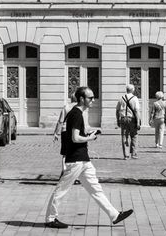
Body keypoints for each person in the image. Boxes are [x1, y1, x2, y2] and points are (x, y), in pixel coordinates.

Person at [44, 86, 134, 229]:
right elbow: (74, 138)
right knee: (62, 189)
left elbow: (78, 134)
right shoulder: (76, 114)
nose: (93, 100)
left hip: (83, 159)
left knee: (96, 189)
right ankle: (50, 218)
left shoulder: (78, 113)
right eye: (90, 98)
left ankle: (114, 215)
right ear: (81, 99)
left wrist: (89, 133)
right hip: (76, 160)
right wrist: (90, 138)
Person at [115, 84, 141, 159]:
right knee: (134, 135)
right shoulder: (135, 98)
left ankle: (126, 155)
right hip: (132, 118)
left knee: (124, 136)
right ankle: (133, 154)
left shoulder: (121, 98)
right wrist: (138, 121)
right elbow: (136, 110)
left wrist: (117, 120)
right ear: (133, 90)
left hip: (123, 118)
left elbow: (117, 111)